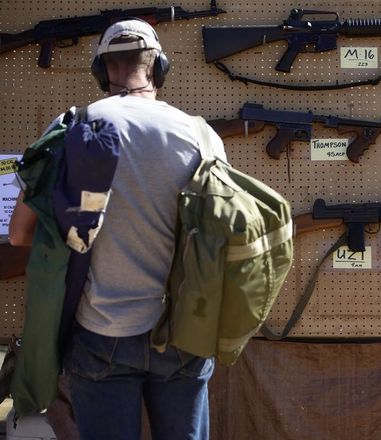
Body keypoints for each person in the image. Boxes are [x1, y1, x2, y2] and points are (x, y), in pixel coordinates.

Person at [9, 18, 227, 440]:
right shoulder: (201, 135)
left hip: (100, 334)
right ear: (158, 68)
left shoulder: (72, 127)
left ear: (100, 71)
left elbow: (19, 233)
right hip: (182, 332)